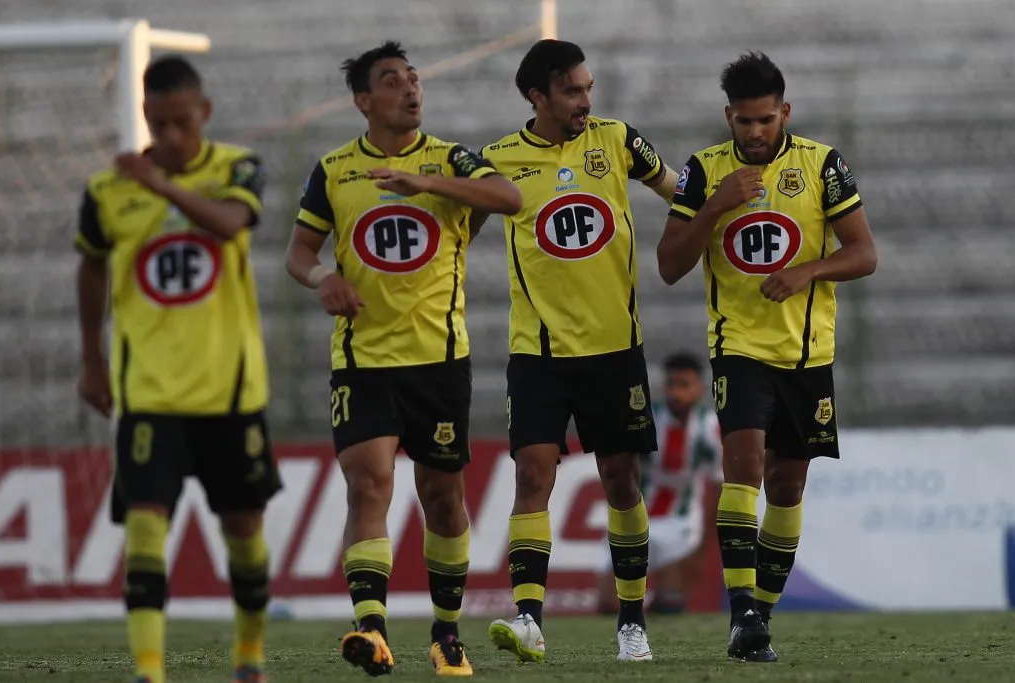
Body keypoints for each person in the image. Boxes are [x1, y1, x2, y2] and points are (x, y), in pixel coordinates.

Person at [283, 41, 522, 678]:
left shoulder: (448, 158)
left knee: (442, 497)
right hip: (362, 360)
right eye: (393, 81)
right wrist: (321, 281)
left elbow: (508, 197)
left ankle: (446, 635)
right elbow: (299, 254)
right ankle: (373, 629)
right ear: (364, 100)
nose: (411, 89)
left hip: (439, 361)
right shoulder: (333, 170)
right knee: (367, 483)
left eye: (414, 80)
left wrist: (425, 183)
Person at [657, 51, 878, 662]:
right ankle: (741, 611)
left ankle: (759, 617)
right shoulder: (704, 173)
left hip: (808, 354)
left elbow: (864, 253)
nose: (754, 133)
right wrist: (715, 206)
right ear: (728, 116)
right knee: (745, 465)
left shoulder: (821, 165)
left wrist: (809, 269)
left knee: (788, 482)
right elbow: (670, 266)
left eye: (764, 120)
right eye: (743, 122)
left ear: (784, 112)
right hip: (739, 349)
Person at [74, 55, 281, 683]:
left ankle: (248, 657)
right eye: (158, 124)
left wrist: (160, 184)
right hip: (150, 394)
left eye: (181, 123)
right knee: (144, 525)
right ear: (144, 115)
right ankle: (149, 672)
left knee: (243, 532)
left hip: (229, 391)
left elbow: (228, 226)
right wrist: (92, 358)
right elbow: (90, 265)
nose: (168, 137)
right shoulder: (106, 191)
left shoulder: (237, 168)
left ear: (205, 114)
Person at [475, 39, 682, 663]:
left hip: (614, 350)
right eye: (572, 91)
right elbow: (454, 230)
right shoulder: (498, 160)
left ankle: (630, 621)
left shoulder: (617, 140)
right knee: (533, 473)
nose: (586, 100)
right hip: (537, 354)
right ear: (537, 97)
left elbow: (679, 192)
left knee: (621, 482)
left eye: (588, 88)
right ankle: (530, 618)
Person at [595, 352, 723, 616]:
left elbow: (721, 485)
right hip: (639, 515)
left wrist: (704, 547)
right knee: (608, 604)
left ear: (699, 388)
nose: (676, 392)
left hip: (681, 522)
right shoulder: (647, 420)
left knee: (669, 605)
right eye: (671, 384)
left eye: (684, 385)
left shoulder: (710, 427)